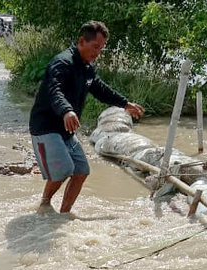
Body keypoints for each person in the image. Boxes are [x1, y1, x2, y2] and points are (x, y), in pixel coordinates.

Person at [29, 20, 145, 213]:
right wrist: (67, 110)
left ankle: (64, 214)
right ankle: (44, 203)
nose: (98, 52)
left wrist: (125, 104)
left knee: (82, 171)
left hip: (66, 129)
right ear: (82, 41)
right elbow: (54, 90)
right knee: (64, 170)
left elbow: (100, 89)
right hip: (46, 127)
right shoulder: (61, 63)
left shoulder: (87, 68)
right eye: (95, 47)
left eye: (101, 48)